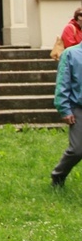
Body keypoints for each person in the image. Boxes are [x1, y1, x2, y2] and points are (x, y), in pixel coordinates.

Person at [50, 42, 82, 187]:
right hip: (78, 107)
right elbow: (62, 82)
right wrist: (64, 108)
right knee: (77, 150)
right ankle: (58, 175)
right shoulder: (70, 54)